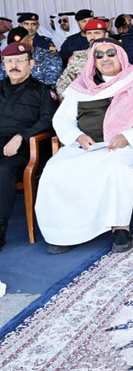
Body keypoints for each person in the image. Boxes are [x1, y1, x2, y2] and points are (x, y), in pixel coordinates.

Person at [35, 39, 133, 254]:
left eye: (111, 53)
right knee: (54, 169)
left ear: (121, 56)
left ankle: (120, 227)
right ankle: (66, 232)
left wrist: (128, 136)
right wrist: (77, 136)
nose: (105, 58)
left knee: (115, 168)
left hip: (121, 147)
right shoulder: (81, 86)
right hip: (85, 146)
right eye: (99, 55)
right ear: (93, 61)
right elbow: (62, 119)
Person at [0, 42, 58, 249]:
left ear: (31, 64)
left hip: (26, 147)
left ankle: (0, 228)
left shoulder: (42, 91)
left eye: (19, 61)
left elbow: (48, 121)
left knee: (3, 169)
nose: (14, 65)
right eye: (9, 61)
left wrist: (21, 136)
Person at [56, 19, 111, 95]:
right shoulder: (78, 57)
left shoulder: (116, 54)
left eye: (97, 33)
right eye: (89, 33)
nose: (92, 37)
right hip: (83, 98)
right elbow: (63, 82)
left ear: (106, 35)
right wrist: (70, 97)